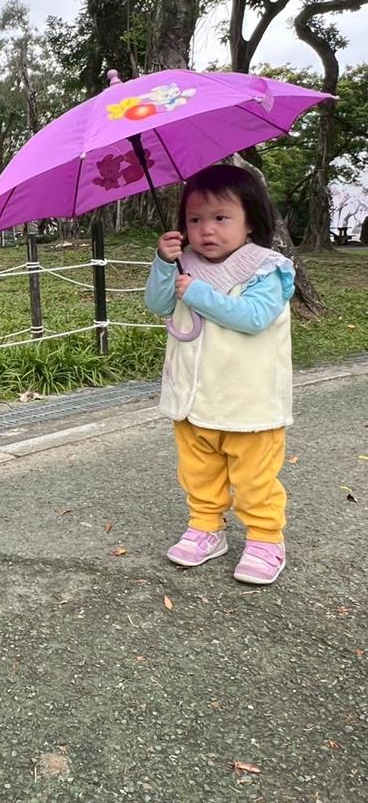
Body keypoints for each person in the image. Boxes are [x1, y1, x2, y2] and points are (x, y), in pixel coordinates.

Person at [144, 164, 294, 586]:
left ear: (251, 221)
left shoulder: (266, 268)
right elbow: (158, 304)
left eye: (221, 217)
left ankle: (265, 538)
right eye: (194, 220)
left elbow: (253, 317)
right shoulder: (183, 264)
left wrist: (198, 293)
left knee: (254, 478)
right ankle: (206, 527)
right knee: (199, 472)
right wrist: (163, 263)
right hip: (192, 399)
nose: (206, 229)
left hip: (248, 401)